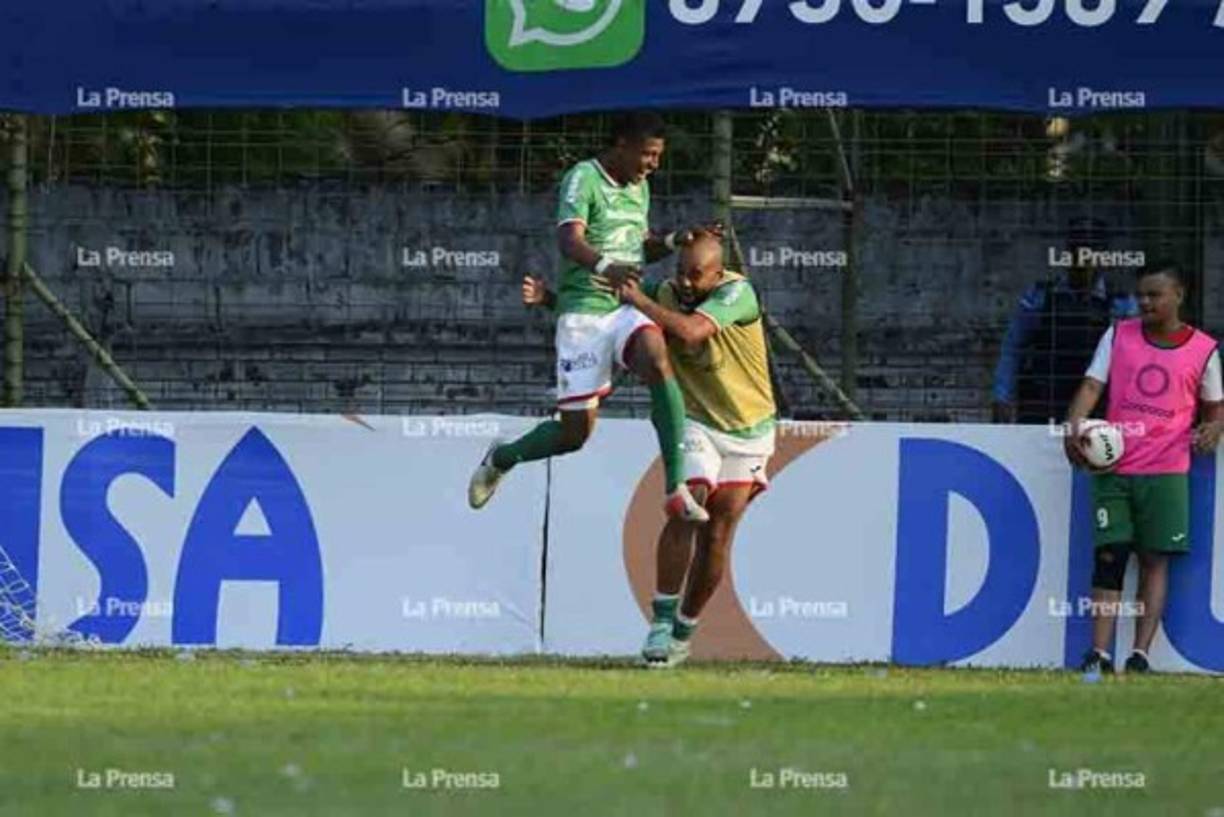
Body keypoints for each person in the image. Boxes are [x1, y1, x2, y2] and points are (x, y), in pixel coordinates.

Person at [524, 230, 777, 668]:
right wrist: (550, 300)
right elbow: (606, 318)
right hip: (696, 421)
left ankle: (684, 630)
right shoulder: (667, 292)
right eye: (680, 272)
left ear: (718, 274)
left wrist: (637, 300)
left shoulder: (739, 293)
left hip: (749, 428)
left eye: (696, 276)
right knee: (688, 502)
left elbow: (692, 333)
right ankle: (660, 623)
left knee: (719, 530)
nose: (685, 282)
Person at [468, 111, 708, 523]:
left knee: (656, 357)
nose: (653, 164)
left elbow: (637, 245)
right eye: (648, 155)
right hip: (583, 316)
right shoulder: (584, 177)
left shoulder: (641, 187)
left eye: (658, 156)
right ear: (622, 145)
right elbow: (569, 240)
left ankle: (676, 487)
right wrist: (604, 268)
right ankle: (503, 457)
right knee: (573, 435)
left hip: (624, 307)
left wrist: (670, 241)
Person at [1064, 265, 1223, 674]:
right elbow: (1092, 386)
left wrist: (1214, 426)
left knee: (1155, 559)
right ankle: (1098, 653)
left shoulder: (1204, 349)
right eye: (1142, 295)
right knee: (1109, 556)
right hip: (1113, 468)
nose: (1146, 303)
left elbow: (1215, 406)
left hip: (1167, 471)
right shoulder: (1118, 334)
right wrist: (1073, 426)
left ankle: (1140, 654)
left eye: (1155, 295)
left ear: (1179, 295)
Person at [993, 220, 1138, 424]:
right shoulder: (1040, 296)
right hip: (1043, 402)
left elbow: (1134, 360)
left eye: (1092, 252)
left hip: (1097, 405)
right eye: (1079, 251)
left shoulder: (1121, 303)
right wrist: (1002, 397)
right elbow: (1013, 347)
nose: (1085, 260)